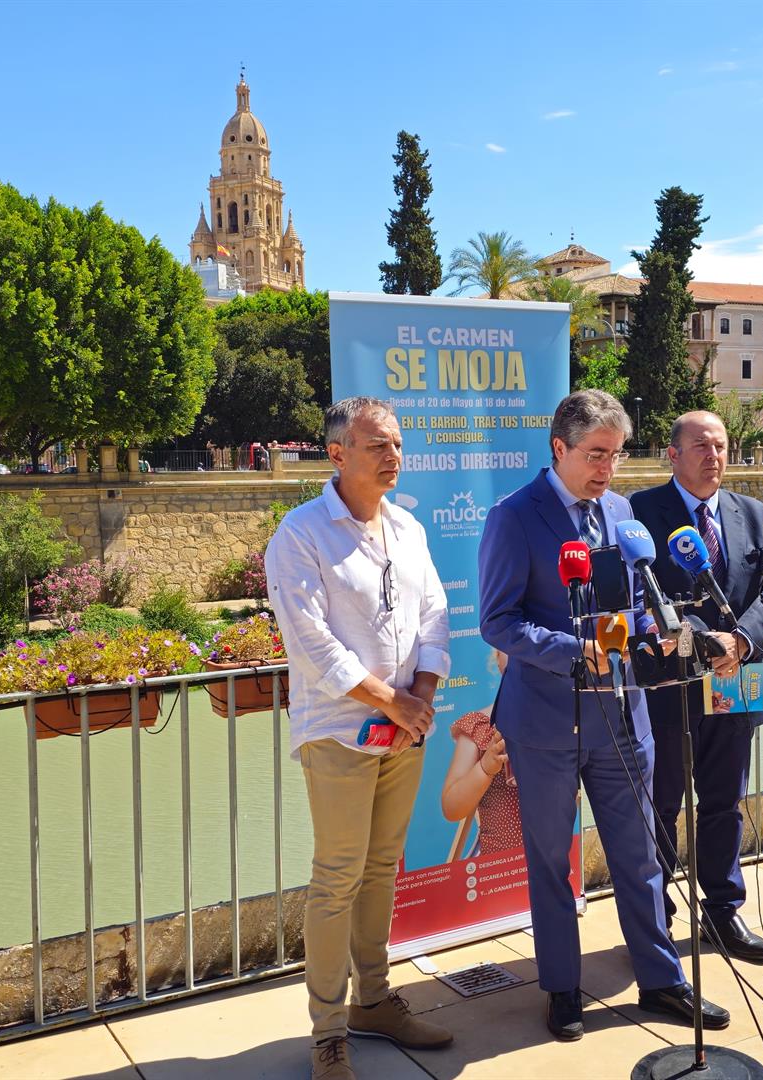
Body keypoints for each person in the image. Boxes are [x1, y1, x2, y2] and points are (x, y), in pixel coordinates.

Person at [478, 388, 728, 1043]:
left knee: (641, 856)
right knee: (550, 863)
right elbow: (498, 622)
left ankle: (661, 977)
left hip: (624, 716)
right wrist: (570, 650)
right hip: (546, 724)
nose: (607, 470)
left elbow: (637, 604)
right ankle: (562, 989)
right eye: (595, 454)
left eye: (616, 456)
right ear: (558, 448)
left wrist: (659, 630)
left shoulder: (621, 514)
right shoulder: (514, 517)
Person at [264, 396, 455, 1080]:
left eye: (397, 443)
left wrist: (422, 697)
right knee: (337, 879)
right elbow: (312, 643)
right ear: (337, 453)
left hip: (405, 731)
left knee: (380, 871)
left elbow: (435, 613)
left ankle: (374, 1001)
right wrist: (392, 702)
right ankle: (328, 1032)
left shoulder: (408, 528)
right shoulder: (300, 534)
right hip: (339, 734)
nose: (393, 455)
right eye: (377, 444)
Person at [632, 411, 763, 965]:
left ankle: (722, 914)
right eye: (701, 446)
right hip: (670, 689)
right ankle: (657, 923)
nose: (714, 456)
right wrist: (702, 641)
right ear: (672, 454)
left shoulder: (754, 514)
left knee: (724, 803)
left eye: (721, 446)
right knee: (661, 804)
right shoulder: (639, 514)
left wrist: (740, 641)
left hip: (735, 684)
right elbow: (639, 598)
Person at [440, 650, 521, 858]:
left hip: (555, 865)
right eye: (510, 641)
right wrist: (486, 767)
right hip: (499, 871)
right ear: (496, 656)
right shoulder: (479, 726)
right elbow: (451, 808)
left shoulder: (561, 720)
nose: (522, 649)